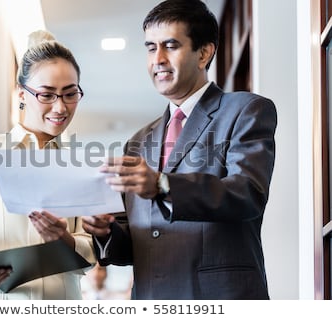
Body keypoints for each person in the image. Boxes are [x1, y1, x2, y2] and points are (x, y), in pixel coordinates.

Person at [82, 0, 277, 300]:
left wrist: (162, 184)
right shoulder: (138, 141)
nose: (157, 59)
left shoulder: (246, 111)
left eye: (170, 45)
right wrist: (105, 230)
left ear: (204, 53)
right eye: (150, 47)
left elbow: (246, 194)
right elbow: (132, 246)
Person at [0, 30, 96, 299]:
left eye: (70, 94)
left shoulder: (81, 162)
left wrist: (64, 239)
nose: (60, 108)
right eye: (47, 95)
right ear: (21, 93)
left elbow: (91, 249)